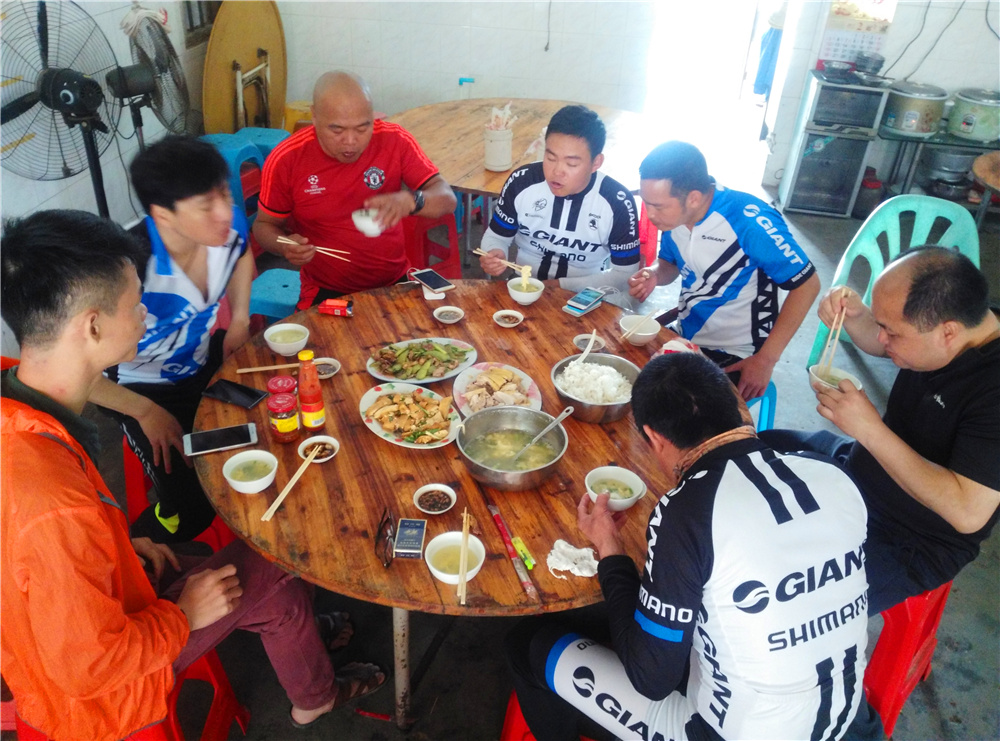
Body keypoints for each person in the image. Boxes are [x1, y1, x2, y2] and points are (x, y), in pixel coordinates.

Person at [0, 210, 385, 741]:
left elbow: (33, 564)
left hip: (87, 610)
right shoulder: (52, 505)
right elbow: (89, 669)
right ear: (92, 326)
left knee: (268, 585)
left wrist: (117, 548)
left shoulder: (18, 395)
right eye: (135, 303)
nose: (144, 313)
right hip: (104, 698)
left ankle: (312, 690)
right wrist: (181, 615)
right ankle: (314, 687)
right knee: (277, 555)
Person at [506, 353, 870, 741]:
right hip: (849, 722)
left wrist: (609, 547)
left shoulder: (688, 511)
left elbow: (650, 678)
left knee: (527, 643)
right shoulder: (834, 476)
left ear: (654, 438)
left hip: (719, 734)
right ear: (735, 409)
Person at [761, 247, 1000, 615]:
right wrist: (858, 316)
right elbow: (892, 343)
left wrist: (870, 429)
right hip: (861, 467)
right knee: (749, 449)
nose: (882, 338)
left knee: (783, 607)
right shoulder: (956, 325)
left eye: (890, 330)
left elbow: (967, 512)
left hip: (907, 536)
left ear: (948, 332)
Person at [87, 135, 254, 543]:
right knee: (191, 509)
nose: (225, 212)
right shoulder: (128, 269)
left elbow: (243, 255)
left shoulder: (225, 229)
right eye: (206, 205)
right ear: (163, 214)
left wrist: (240, 319)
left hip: (203, 358)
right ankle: (149, 540)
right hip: (140, 386)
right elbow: (80, 372)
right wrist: (145, 412)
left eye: (224, 194)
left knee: (265, 426)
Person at [628, 141, 820, 400]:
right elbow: (669, 264)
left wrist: (765, 360)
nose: (650, 214)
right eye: (646, 203)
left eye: (658, 206)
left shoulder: (749, 221)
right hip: (686, 334)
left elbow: (808, 285)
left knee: (674, 413)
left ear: (693, 198)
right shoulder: (674, 219)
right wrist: (654, 275)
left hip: (738, 352)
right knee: (622, 376)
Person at [254, 71, 457, 308]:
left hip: (393, 282)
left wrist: (412, 200)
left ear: (373, 117)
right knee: (318, 334)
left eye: (362, 128)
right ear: (314, 116)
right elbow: (263, 225)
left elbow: (447, 199)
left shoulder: (394, 140)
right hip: (325, 288)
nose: (350, 141)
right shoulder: (287, 158)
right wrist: (284, 245)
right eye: (337, 130)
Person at [478, 105, 641, 292]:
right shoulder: (522, 181)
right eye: (551, 158)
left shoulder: (617, 202)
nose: (557, 172)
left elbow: (625, 274)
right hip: (523, 286)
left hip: (585, 294)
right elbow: (496, 236)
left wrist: (560, 286)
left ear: (596, 162)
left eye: (571, 163)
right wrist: (495, 252)